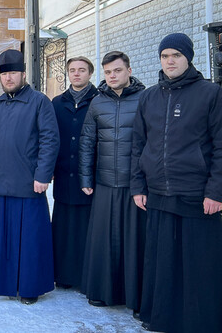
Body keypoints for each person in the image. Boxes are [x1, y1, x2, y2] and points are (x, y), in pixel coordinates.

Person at [131, 33, 222, 332]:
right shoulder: (148, 97)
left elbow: (220, 147)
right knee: (162, 263)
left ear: (188, 58)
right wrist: (138, 187)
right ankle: (161, 317)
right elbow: (138, 146)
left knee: (198, 263)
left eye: (176, 55)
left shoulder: (211, 94)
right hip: (158, 194)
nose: (170, 61)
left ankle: (198, 321)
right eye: (165, 55)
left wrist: (216, 191)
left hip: (196, 196)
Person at [0, 49, 59, 305]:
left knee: (29, 240)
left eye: (13, 73)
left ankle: (30, 287)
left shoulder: (40, 102)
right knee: (4, 239)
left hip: (30, 183)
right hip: (2, 182)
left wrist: (43, 175)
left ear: (23, 74)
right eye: (4, 74)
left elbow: (50, 140)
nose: (8, 78)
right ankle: (3, 283)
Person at [78, 51, 145, 315]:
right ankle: (102, 293)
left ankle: (136, 296)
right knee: (105, 241)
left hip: (134, 184)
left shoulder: (145, 98)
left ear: (129, 70)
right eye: (108, 72)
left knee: (134, 243)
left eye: (117, 70)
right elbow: (86, 143)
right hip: (104, 182)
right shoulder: (97, 102)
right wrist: (86, 177)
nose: (113, 76)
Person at [51, 57, 98, 290]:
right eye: (72, 70)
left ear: (90, 73)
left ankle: (84, 276)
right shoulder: (57, 103)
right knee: (63, 227)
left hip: (88, 177)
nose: (76, 74)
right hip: (63, 174)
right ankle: (63, 276)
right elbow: (50, 138)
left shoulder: (99, 100)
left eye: (81, 70)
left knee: (85, 228)